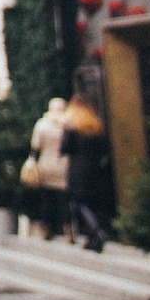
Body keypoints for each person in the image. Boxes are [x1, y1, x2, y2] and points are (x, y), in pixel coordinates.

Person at [60, 91, 112, 251]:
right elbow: (105, 148)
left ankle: (96, 231)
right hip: (95, 167)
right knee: (93, 201)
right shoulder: (95, 125)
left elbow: (64, 148)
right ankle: (93, 237)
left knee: (79, 201)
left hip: (78, 168)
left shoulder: (72, 126)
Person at [28, 97, 72, 238]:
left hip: (45, 164)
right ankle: (68, 228)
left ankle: (47, 229)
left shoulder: (42, 124)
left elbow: (35, 146)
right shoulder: (68, 124)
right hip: (64, 165)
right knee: (65, 199)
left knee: (47, 198)